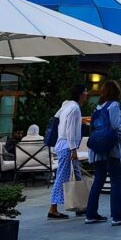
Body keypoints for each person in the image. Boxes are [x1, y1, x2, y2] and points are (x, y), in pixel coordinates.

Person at [85, 79, 121, 225]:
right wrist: (117, 137)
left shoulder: (98, 107)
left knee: (98, 180)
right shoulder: (114, 106)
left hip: (96, 149)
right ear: (116, 91)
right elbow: (117, 127)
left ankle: (91, 214)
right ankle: (117, 216)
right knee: (116, 180)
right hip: (110, 149)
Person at [47, 83, 88, 220]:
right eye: (86, 92)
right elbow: (69, 130)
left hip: (63, 144)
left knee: (76, 174)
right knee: (62, 177)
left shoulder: (66, 106)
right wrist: (73, 149)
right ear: (80, 94)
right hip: (67, 146)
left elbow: (62, 122)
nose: (87, 94)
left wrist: (80, 121)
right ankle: (53, 208)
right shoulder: (74, 109)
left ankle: (80, 205)